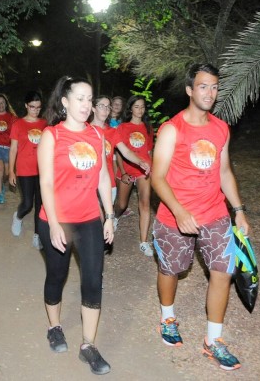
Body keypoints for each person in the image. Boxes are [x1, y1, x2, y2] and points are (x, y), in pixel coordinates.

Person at [152, 63, 250, 371]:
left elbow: (223, 172)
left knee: (224, 271)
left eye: (215, 87)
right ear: (190, 90)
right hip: (175, 214)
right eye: (204, 86)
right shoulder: (172, 129)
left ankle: (213, 341)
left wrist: (239, 210)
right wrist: (179, 211)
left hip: (214, 213)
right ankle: (167, 318)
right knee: (172, 269)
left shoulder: (220, 128)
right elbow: (157, 177)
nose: (210, 92)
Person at [37, 76, 114, 375]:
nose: (86, 105)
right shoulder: (52, 136)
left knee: (93, 280)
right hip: (56, 221)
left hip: (88, 220)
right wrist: (54, 224)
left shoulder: (97, 135)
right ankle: (54, 326)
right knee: (57, 275)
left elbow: (104, 177)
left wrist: (109, 215)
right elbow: (45, 182)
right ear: (65, 101)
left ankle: (88, 346)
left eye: (89, 99)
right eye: (79, 98)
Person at [90, 95, 150, 222]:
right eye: (101, 106)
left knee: (105, 219)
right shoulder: (84, 129)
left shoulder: (113, 132)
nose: (105, 110)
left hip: (108, 181)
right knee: (92, 219)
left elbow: (126, 152)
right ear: (93, 108)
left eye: (108, 107)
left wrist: (140, 162)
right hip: (89, 181)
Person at [114, 95, 154, 256]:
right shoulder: (123, 127)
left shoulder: (148, 128)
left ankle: (144, 241)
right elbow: (119, 153)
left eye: (142, 106)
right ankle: (115, 216)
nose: (140, 109)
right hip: (127, 169)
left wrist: (151, 168)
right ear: (130, 108)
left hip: (143, 170)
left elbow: (149, 151)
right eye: (136, 106)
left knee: (145, 204)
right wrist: (123, 172)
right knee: (122, 205)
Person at [9, 91, 47, 249]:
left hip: (42, 169)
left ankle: (38, 235)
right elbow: (13, 149)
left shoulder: (45, 124)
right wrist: (11, 171)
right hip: (24, 169)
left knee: (41, 204)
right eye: (32, 107)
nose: (35, 110)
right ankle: (18, 217)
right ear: (26, 106)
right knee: (27, 204)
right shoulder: (18, 124)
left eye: (38, 107)